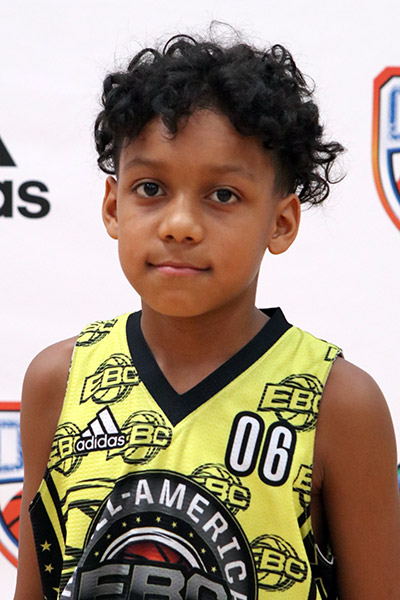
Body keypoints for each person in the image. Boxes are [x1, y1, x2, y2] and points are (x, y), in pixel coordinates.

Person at [14, 33, 400, 600]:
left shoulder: (340, 404)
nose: (180, 225)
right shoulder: (59, 380)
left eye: (222, 195)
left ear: (281, 223)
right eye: (151, 188)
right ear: (113, 206)